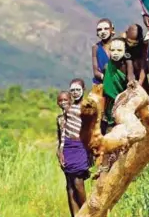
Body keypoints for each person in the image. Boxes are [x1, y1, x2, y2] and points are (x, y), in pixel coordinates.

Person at [59, 79, 93, 217]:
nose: (75, 92)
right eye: (72, 90)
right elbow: (63, 130)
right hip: (68, 146)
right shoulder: (68, 108)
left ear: (83, 90)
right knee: (70, 185)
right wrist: (61, 149)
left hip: (80, 146)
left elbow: (91, 129)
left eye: (77, 90)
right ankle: (76, 214)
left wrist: (91, 150)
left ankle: (87, 213)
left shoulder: (87, 107)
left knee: (78, 182)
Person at [122, 24, 148, 90]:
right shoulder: (122, 45)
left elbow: (143, 67)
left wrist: (139, 84)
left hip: (141, 75)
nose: (131, 45)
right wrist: (131, 82)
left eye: (134, 43)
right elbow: (129, 66)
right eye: (129, 42)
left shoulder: (143, 46)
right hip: (129, 75)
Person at [91, 18, 114, 87]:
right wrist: (106, 79)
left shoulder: (118, 45)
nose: (103, 32)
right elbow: (96, 72)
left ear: (111, 30)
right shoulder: (95, 48)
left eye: (106, 28)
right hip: (101, 84)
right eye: (99, 30)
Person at [56, 91, 71, 170]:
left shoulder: (76, 115)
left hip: (75, 149)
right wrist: (59, 152)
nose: (63, 102)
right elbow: (59, 137)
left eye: (65, 100)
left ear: (70, 100)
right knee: (69, 179)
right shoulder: (59, 118)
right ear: (57, 103)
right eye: (60, 100)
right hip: (64, 150)